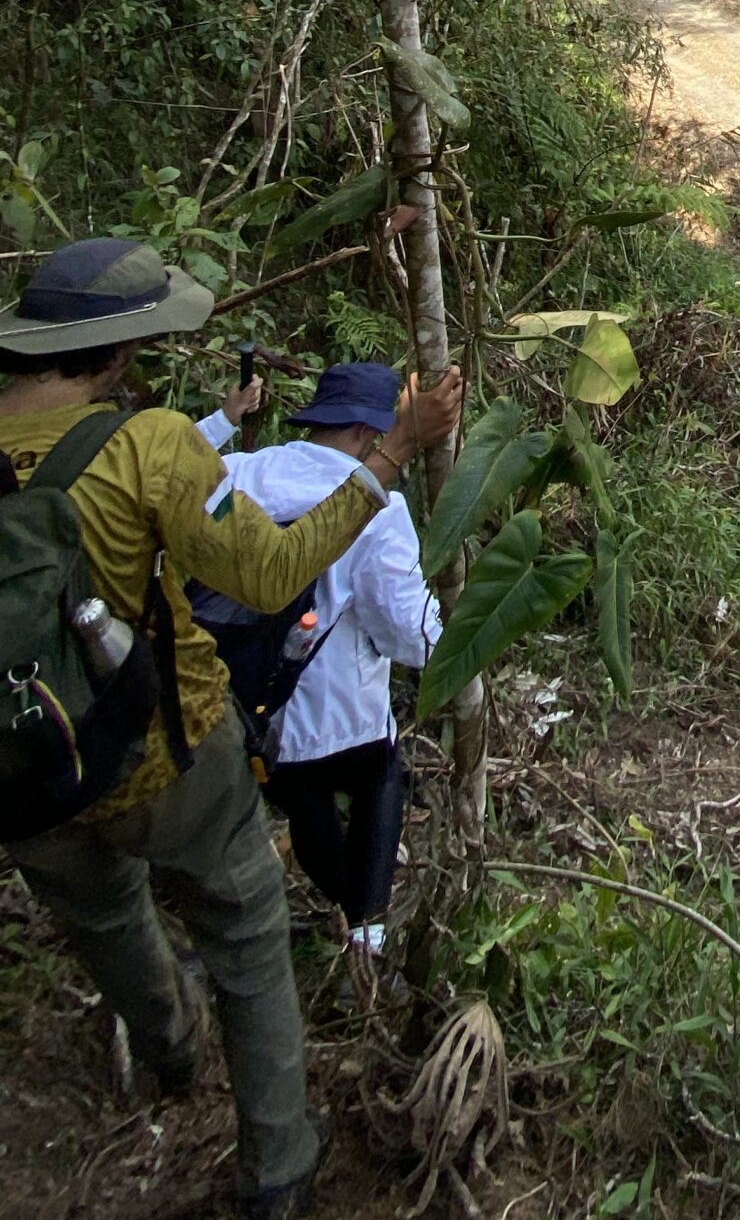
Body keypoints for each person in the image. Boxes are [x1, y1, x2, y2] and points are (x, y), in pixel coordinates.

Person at [0, 237, 463, 1219]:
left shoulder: (171, 444)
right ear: (122, 353)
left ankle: (168, 1046)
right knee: (246, 921)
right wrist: (396, 453)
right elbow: (262, 572)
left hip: (18, 766)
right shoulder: (146, 443)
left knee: (105, 911)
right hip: (158, 755)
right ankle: (280, 1165)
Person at [196, 361, 440, 976]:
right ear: (366, 432)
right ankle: (367, 934)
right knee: (382, 775)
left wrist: (226, 420)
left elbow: (169, 470)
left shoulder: (242, 472)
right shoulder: (376, 504)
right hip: (337, 722)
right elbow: (409, 635)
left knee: (303, 803)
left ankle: (350, 916)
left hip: (235, 713)